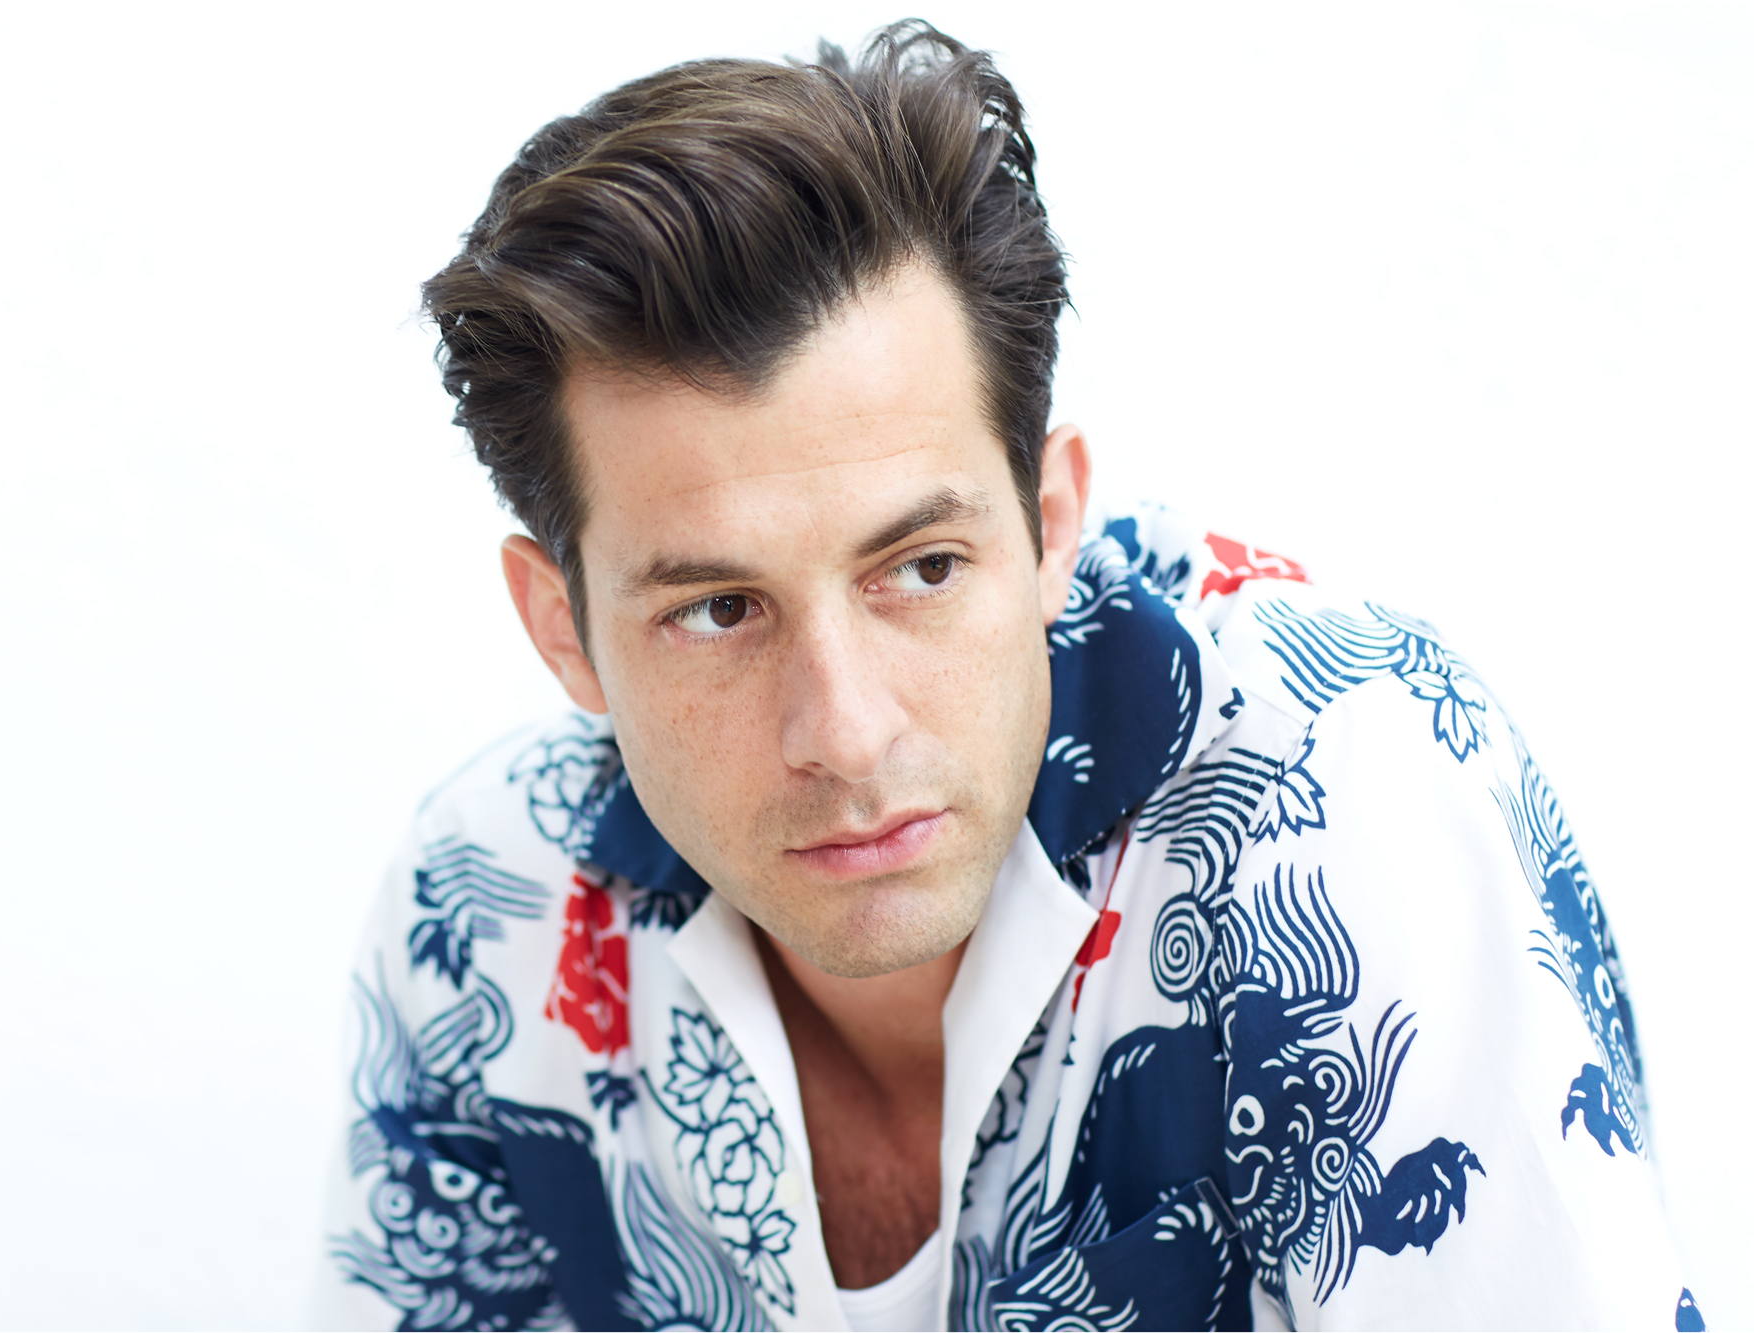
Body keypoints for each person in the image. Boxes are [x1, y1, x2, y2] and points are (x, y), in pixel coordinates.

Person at [310, 22, 1699, 1331]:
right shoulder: (485, 909)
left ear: (1048, 525)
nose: (847, 731)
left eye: (920, 569)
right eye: (720, 610)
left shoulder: (1344, 802)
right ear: (560, 625)